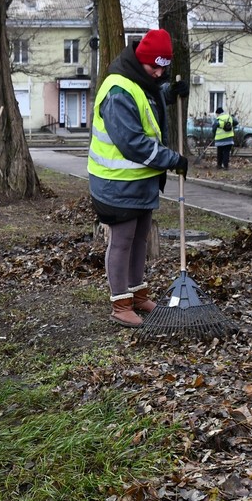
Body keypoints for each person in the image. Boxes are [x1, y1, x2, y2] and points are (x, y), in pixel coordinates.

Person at [88, 28, 189, 328]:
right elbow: (132, 142)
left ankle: (136, 293)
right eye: (154, 67)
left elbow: (151, 99)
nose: (159, 73)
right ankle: (120, 304)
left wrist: (170, 93)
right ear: (140, 60)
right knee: (122, 241)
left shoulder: (142, 80)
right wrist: (172, 160)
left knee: (140, 239)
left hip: (140, 182)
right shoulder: (117, 90)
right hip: (115, 183)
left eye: (164, 68)